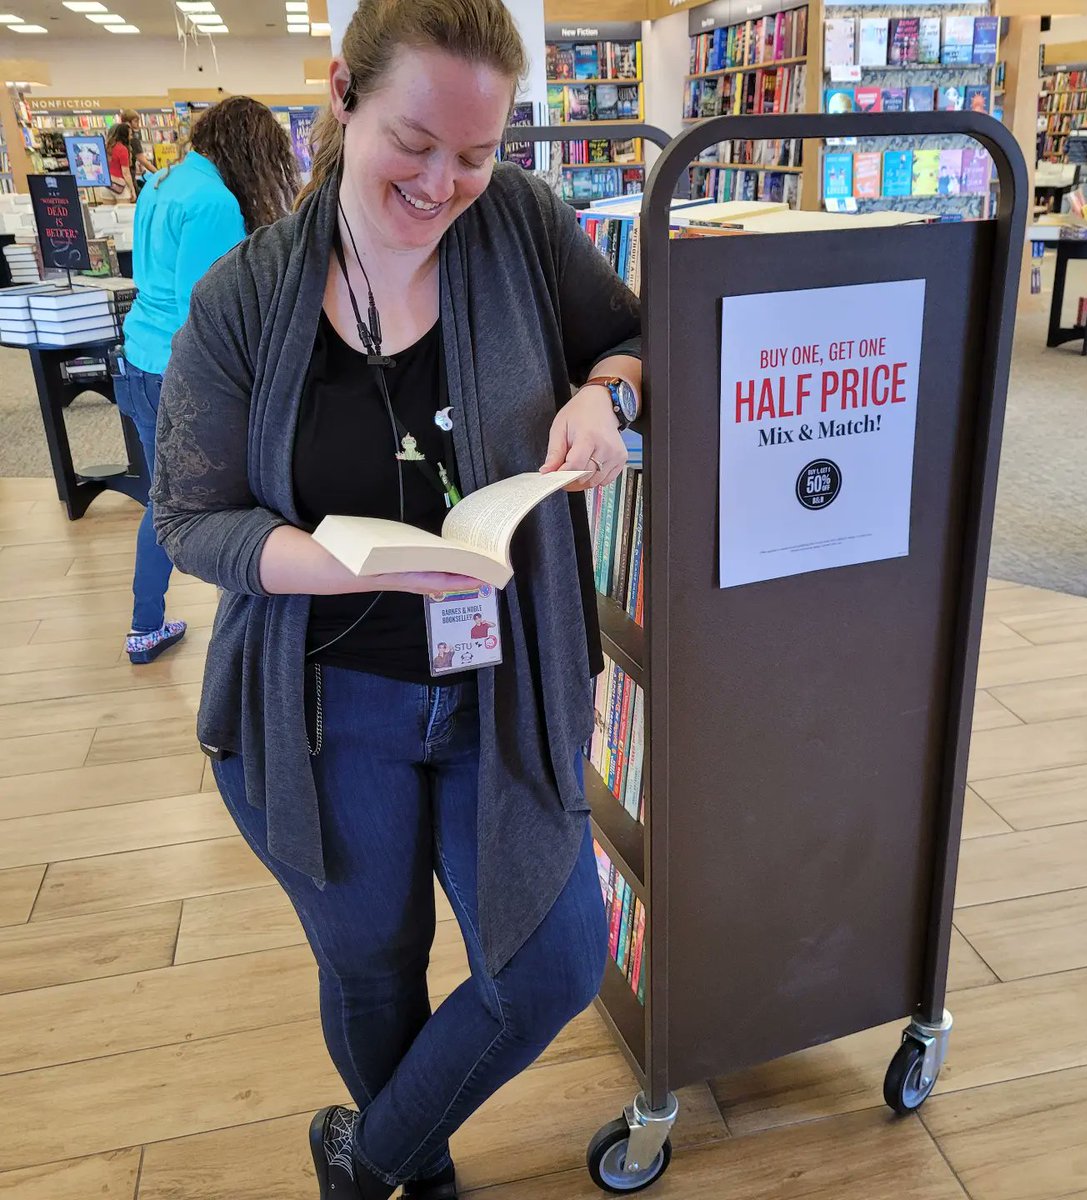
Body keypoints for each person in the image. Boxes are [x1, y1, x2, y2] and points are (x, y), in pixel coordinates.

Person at [150, 0, 641, 1196]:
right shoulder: (244, 299)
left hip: (502, 689)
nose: (443, 182)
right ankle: (416, 1175)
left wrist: (608, 394)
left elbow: (637, 336)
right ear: (342, 95)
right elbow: (189, 518)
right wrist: (341, 561)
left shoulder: (519, 224)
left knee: (552, 964)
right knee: (373, 969)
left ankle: (365, 1163)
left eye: (476, 155)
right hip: (327, 704)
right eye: (414, 142)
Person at [118, 97, 299, 664]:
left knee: (163, 493)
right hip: (183, 369)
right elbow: (217, 308)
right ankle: (168, 626)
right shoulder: (215, 200)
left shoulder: (163, 180)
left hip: (140, 353)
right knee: (195, 505)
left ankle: (147, 619)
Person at [102, 122, 135, 203]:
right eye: (130, 134)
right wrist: (132, 189)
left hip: (106, 185)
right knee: (123, 214)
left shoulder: (108, 147)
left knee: (107, 214)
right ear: (124, 135)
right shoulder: (122, 149)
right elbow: (126, 173)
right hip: (120, 186)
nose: (131, 137)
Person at [119, 109, 156, 181]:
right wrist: (158, 173)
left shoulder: (117, 136)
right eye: (135, 121)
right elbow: (143, 161)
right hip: (129, 176)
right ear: (128, 122)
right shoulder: (132, 139)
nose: (138, 124)